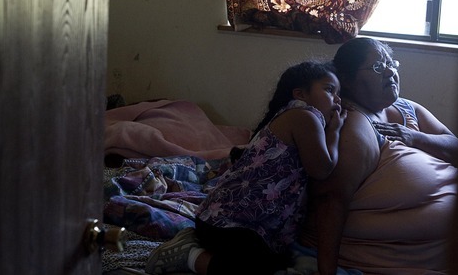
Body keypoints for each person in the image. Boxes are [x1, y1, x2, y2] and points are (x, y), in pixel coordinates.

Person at [145, 60, 347, 275]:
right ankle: (189, 255)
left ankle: (196, 244)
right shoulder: (305, 116)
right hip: (228, 225)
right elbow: (322, 169)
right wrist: (335, 131)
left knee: (274, 264)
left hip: (241, 227)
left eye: (338, 93)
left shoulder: (298, 117)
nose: (337, 99)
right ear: (300, 94)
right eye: (329, 89)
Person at [297, 37, 458, 275]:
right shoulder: (355, 124)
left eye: (391, 63)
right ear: (348, 81)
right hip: (394, 255)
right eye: (377, 67)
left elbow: (457, 148)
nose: (390, 72)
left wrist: (415, 138)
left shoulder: (408, 108)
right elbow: (330, 201)